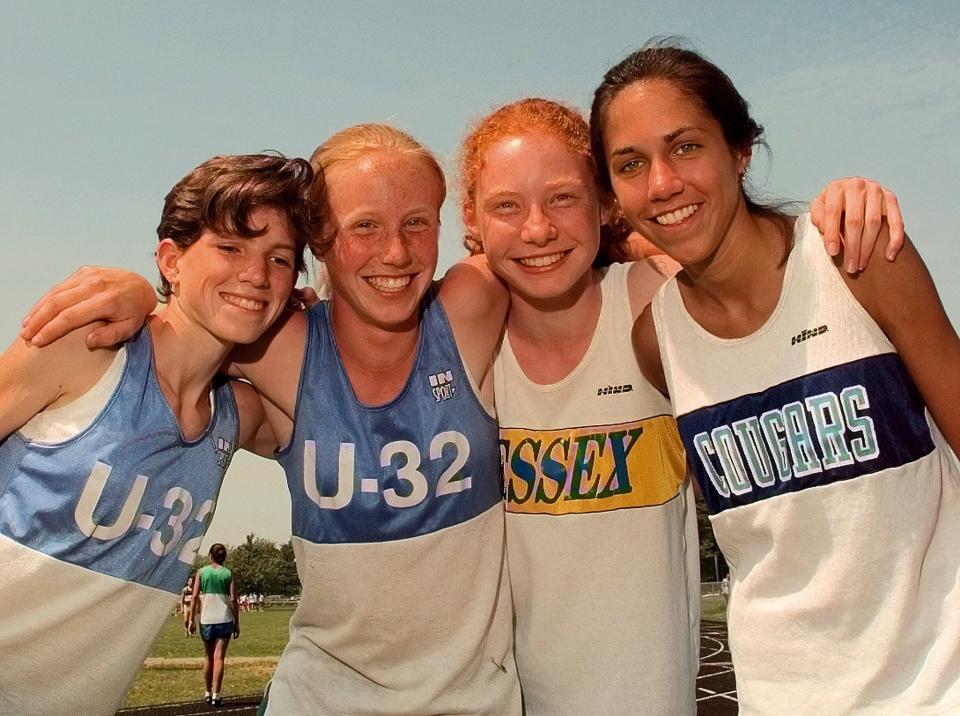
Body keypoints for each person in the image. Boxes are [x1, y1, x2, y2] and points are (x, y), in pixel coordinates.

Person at [20, 124, 520, 714]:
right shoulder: (281, 349)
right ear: (323, 243)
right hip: (317, 700)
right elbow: (201, 318)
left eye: (417, 222)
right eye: (364, 225)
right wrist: (144, 294)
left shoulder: (475, 302)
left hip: (476, 701)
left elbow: (582, 247)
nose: (396, 251)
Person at [457, 97, 903, 715]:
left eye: (564, 197)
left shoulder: (654, 302)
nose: (537, 229)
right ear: (472, 218)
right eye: (507, 205)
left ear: (605, 202)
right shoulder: (466, 335)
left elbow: (747, 259)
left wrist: (843, 203)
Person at [590, 40, 960, 713]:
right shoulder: (657, 342)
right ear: (613, 193)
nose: (663, 183)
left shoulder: (858, 259)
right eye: (630, 164)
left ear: (740, 150)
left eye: (687, 147)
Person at [0, 153, 322, 715]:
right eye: (230, 248)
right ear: (171, 260)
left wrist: (302, 323)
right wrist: (140, 294)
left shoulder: (237, 416)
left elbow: (349, 403)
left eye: (280, 259)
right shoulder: (86, 348)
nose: (256, 273)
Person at [191, 543, 239, 706]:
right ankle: (216, 695)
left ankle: (207, 692)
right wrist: (237, 622)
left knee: (208, 657)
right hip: (224, 618)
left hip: (207, 619)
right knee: (219, 658)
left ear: (210, 556)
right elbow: (233, 599)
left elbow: (195, 595)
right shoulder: (228, 573)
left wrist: (190, 619)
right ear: (224, 557)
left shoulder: (202, 572)